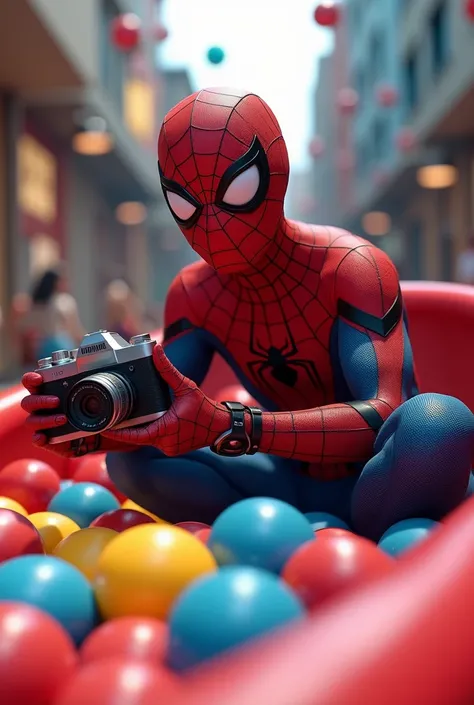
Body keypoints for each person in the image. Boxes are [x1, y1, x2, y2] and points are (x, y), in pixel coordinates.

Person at [21, 88, 474, 541]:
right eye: (185, 203)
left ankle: (369, 539)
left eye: (237, 190)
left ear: (275, 173)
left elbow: (383, 413)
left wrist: (232, 424)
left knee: (437, 423)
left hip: (382, 480)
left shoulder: (353, 267)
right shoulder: (194, 293)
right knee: (132, 459)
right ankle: (286, 540)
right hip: (278, 485)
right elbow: (163, 416)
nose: (212, 225)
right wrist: (97, 427)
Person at [21, 266, 84, 361]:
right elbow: (74, 329)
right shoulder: (64, 301)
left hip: (42, 347)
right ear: (58, 282)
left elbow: (26, 326)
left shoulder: (37, 302)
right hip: (62, 346)